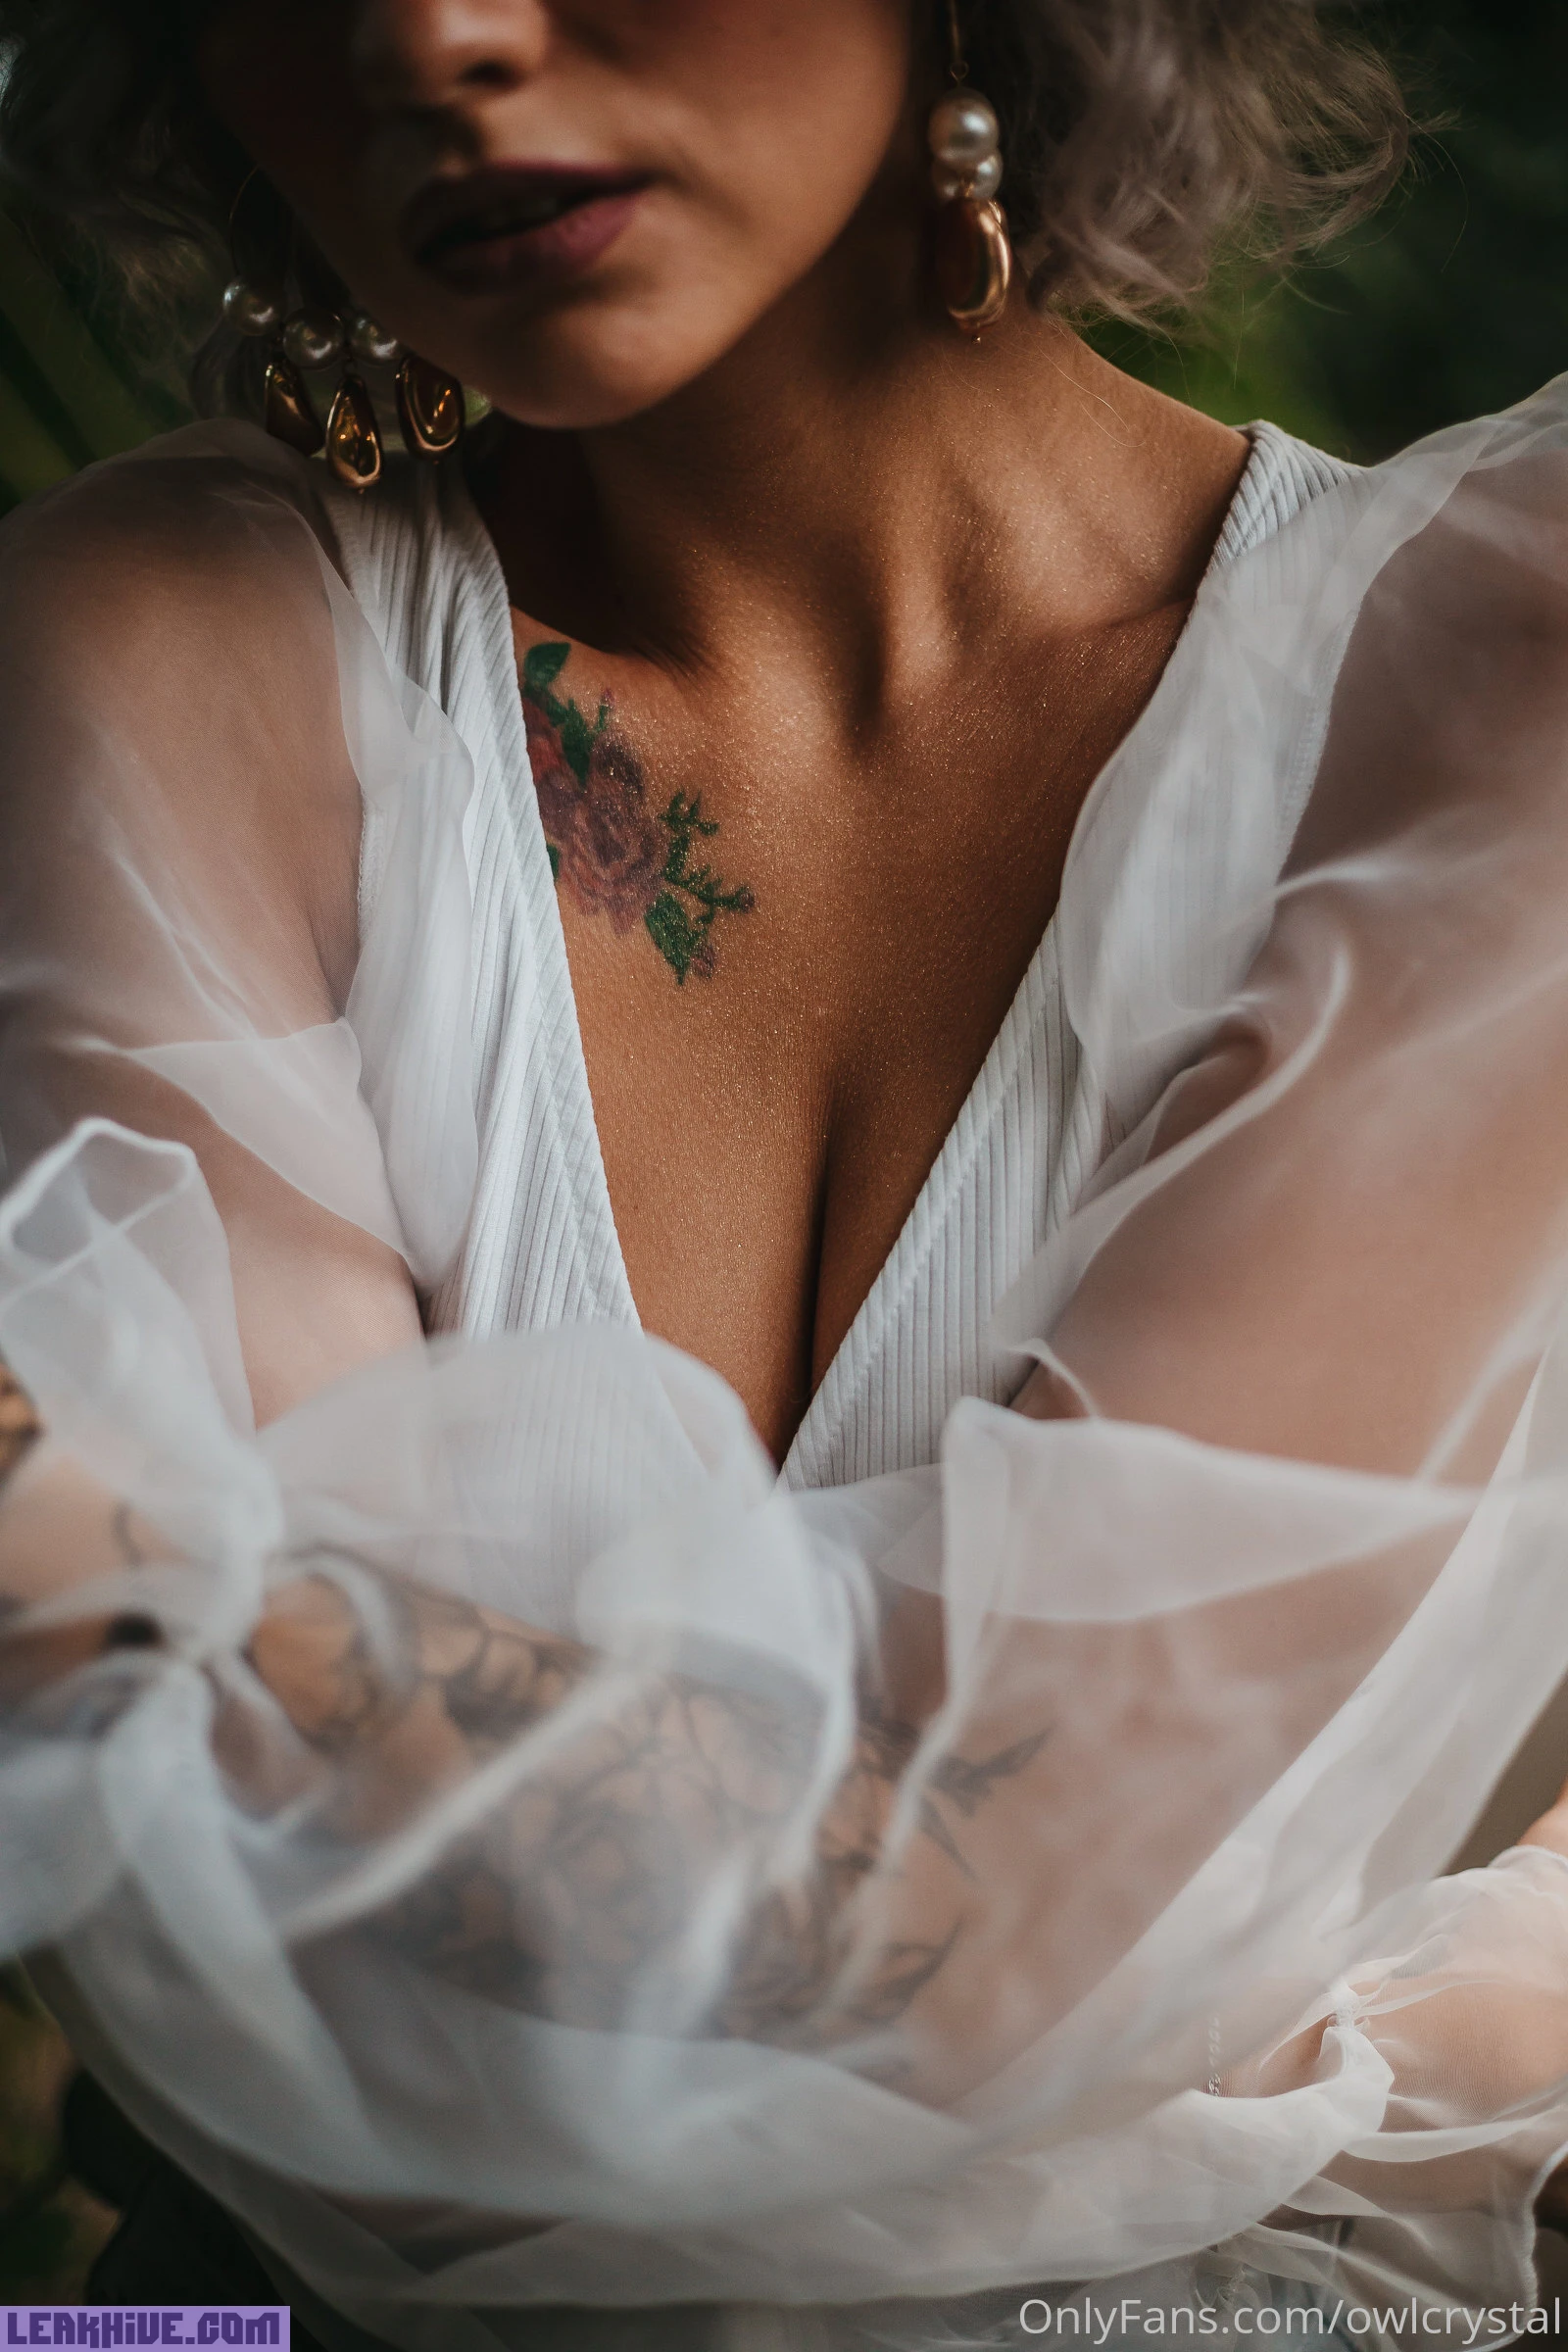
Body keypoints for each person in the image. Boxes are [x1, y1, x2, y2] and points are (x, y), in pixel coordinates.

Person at [6, 4, 1568, 2347]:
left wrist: (78, 1546)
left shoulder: (1487, 690)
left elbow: (958, 1939)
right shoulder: (156, 650)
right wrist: (1342, 2040)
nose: (430, 33)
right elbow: (327, 2009)